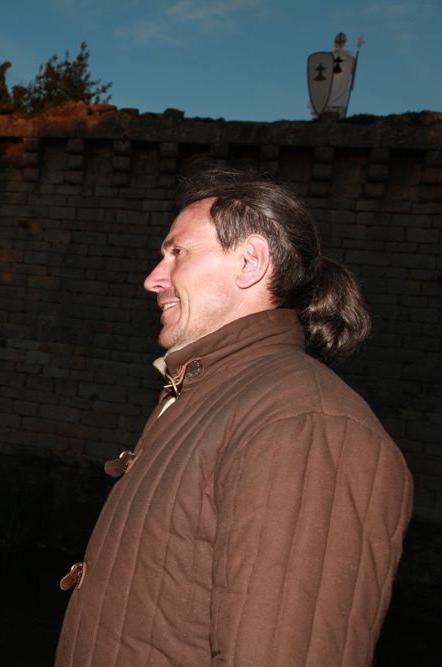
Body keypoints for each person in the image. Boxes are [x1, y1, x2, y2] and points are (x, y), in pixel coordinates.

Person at [56, 164, 412, 665]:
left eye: (176, 252)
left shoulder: (306, 424)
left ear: (250, 262)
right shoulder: (206, 394)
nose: (152, 278)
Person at [328, 31, 356, 117]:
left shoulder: (349, 56)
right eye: (337, 41)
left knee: (340, 99)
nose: (339, 43)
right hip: (331, 83)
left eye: (341, 42)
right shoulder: (329, 56)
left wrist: (352, 83)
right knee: (329, 97)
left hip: (342, 83)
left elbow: (353, 69)